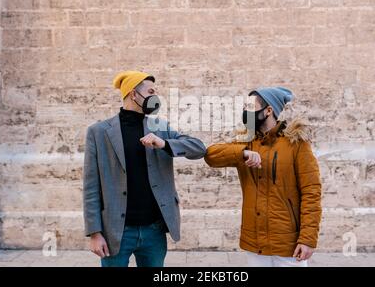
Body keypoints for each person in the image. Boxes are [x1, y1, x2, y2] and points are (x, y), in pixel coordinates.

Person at [83, 71, 206, 267]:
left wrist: (164, 143)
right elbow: (90, 187)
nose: (155, 96)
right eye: (150, 91)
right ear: (134, 94)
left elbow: (199, 148)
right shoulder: (98, 132)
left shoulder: (160, 127)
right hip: (116, 231)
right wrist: (94, 233)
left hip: (154, 231)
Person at [204, 87, 322, 267]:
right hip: (255, 241)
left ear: (268, 110)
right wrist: (243, 153)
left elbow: (311, 192)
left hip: (288, 243)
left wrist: (307, 238)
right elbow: (211, 155)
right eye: (245, 106)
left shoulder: (296, 143)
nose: (245, 111)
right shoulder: (246, 141)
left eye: (250, 107)